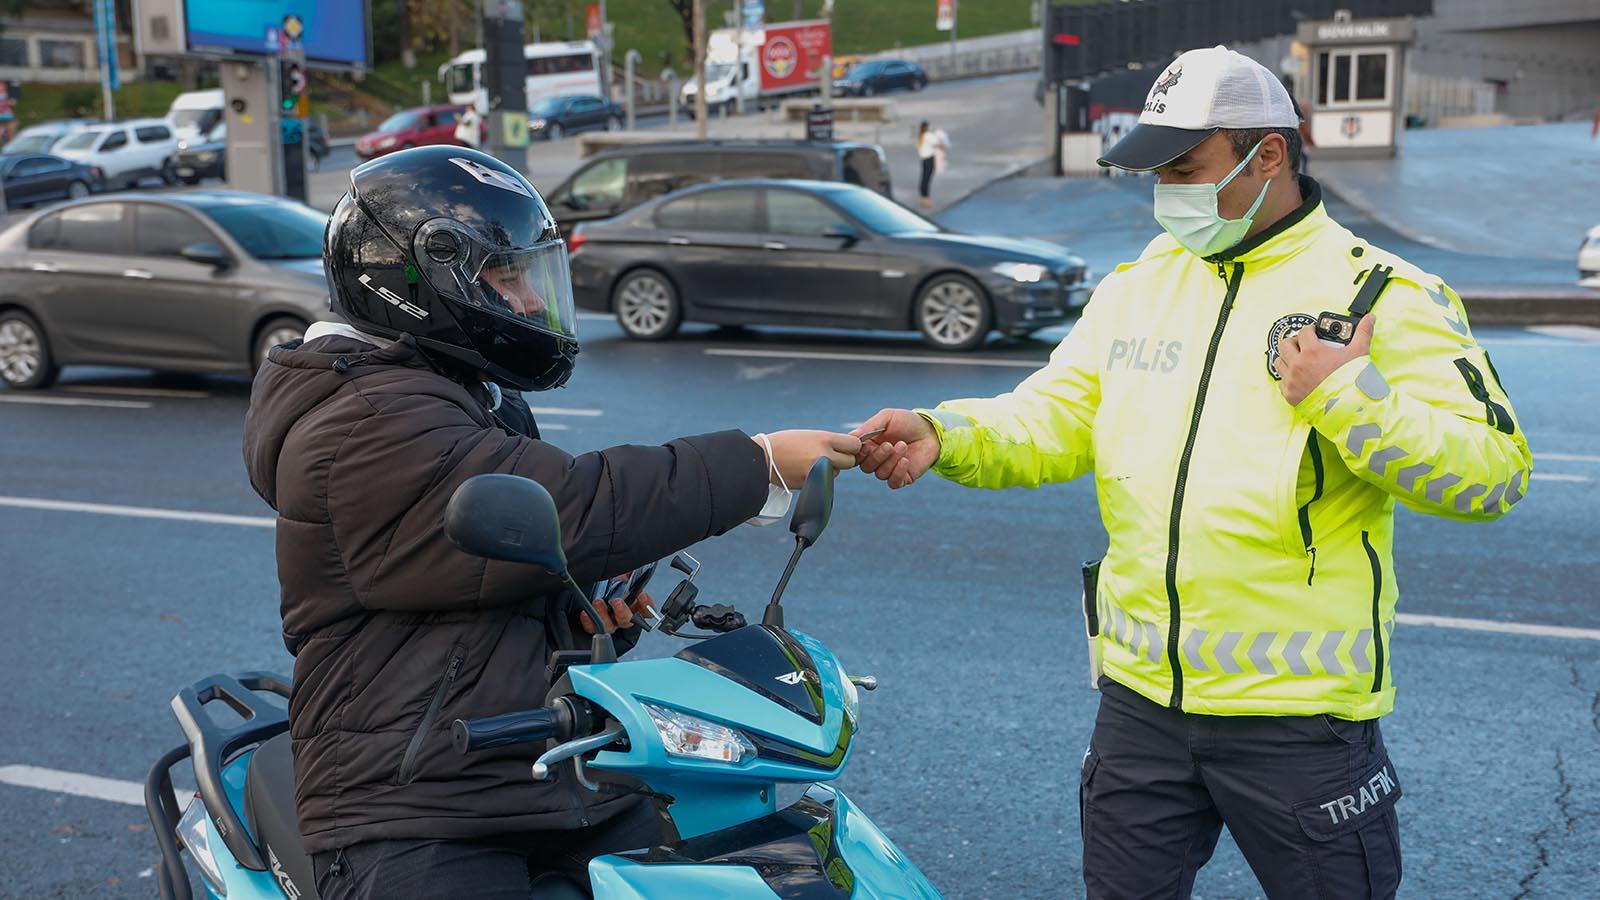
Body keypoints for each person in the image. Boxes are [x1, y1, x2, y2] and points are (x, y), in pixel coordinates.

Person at [852, 46, 1530, 899]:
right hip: (1139, 704)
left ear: (1270, 154)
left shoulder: (1382, 295)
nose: (1168, 190)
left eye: (1188, 167)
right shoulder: (1138, 286)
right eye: (1157, 171)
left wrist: (1347, 399)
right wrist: (943, 435)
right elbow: (1055, 417)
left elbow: (1494, 474)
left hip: (1300, 716)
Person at [241, 145, 860, 899]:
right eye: (507, 278)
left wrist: (578, 617)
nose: (530, 302)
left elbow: (485, 569)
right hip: (411, 800)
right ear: (418, 276)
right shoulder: (365, 423)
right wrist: (760, 461)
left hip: (524, 766)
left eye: (531, 278)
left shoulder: (459, 391)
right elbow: (578, 505)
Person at [916, 120, 947, 210]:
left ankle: (923, 198)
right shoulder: (928, 135)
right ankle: (926, 198)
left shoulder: (921, 136)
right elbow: (938, 143)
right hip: (929, 159)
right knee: (927, 179)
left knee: (924, 178)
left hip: (923, 159)